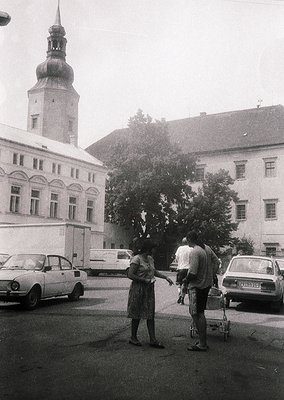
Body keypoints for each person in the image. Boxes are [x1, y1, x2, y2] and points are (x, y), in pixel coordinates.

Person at [127, 239, 174, 348]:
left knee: (150, 314)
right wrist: (144, 280)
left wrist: (166, 277)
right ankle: (133, 337)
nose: (155, 250)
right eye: (153, 248)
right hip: (138, 289)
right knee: (136, 313)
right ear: (148, 249)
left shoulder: (150, 259)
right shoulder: (137, 259)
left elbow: (154, 271)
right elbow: (130, 274)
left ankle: (153, 339)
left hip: (149, 289)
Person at [185, 231, 220, 352]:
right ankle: (202, 341)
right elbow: (217, 262)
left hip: (197, 286)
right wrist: (211, 275)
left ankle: (202, 343)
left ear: (190, 239)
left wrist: (185, 280)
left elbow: (193, 272)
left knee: (197, 314)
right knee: (200, 313)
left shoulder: (195, 251)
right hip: (205, 285)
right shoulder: (206, 248)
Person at [175, 237, 193, 305]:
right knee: (185, 284)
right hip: (188, 269)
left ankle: (180, 295)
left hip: (181, 268)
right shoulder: (191, 249)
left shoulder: (179, 248)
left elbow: (176, 258)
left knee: (179, 284)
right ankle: (182, 297)